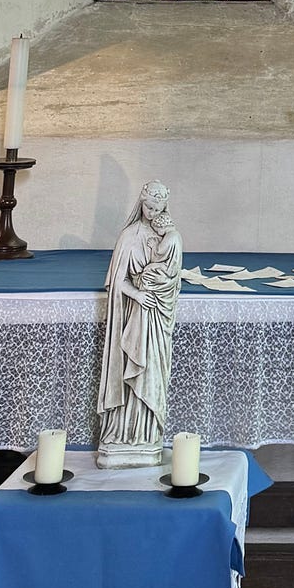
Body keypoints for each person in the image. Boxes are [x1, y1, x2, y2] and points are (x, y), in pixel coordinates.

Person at [96, 181, 182, 466]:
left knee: (151, 371)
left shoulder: (167, 236)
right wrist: (138, 294)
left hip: (155, 317)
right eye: (148, 207)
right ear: (141, 204)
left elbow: (172, 276)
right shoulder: (129, 235)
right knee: (130, 368)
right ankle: (123, 432)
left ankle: (145, 433)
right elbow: (116, 281)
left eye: (157, 209)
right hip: (134, 314)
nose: (151, 213)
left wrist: (162, 286)